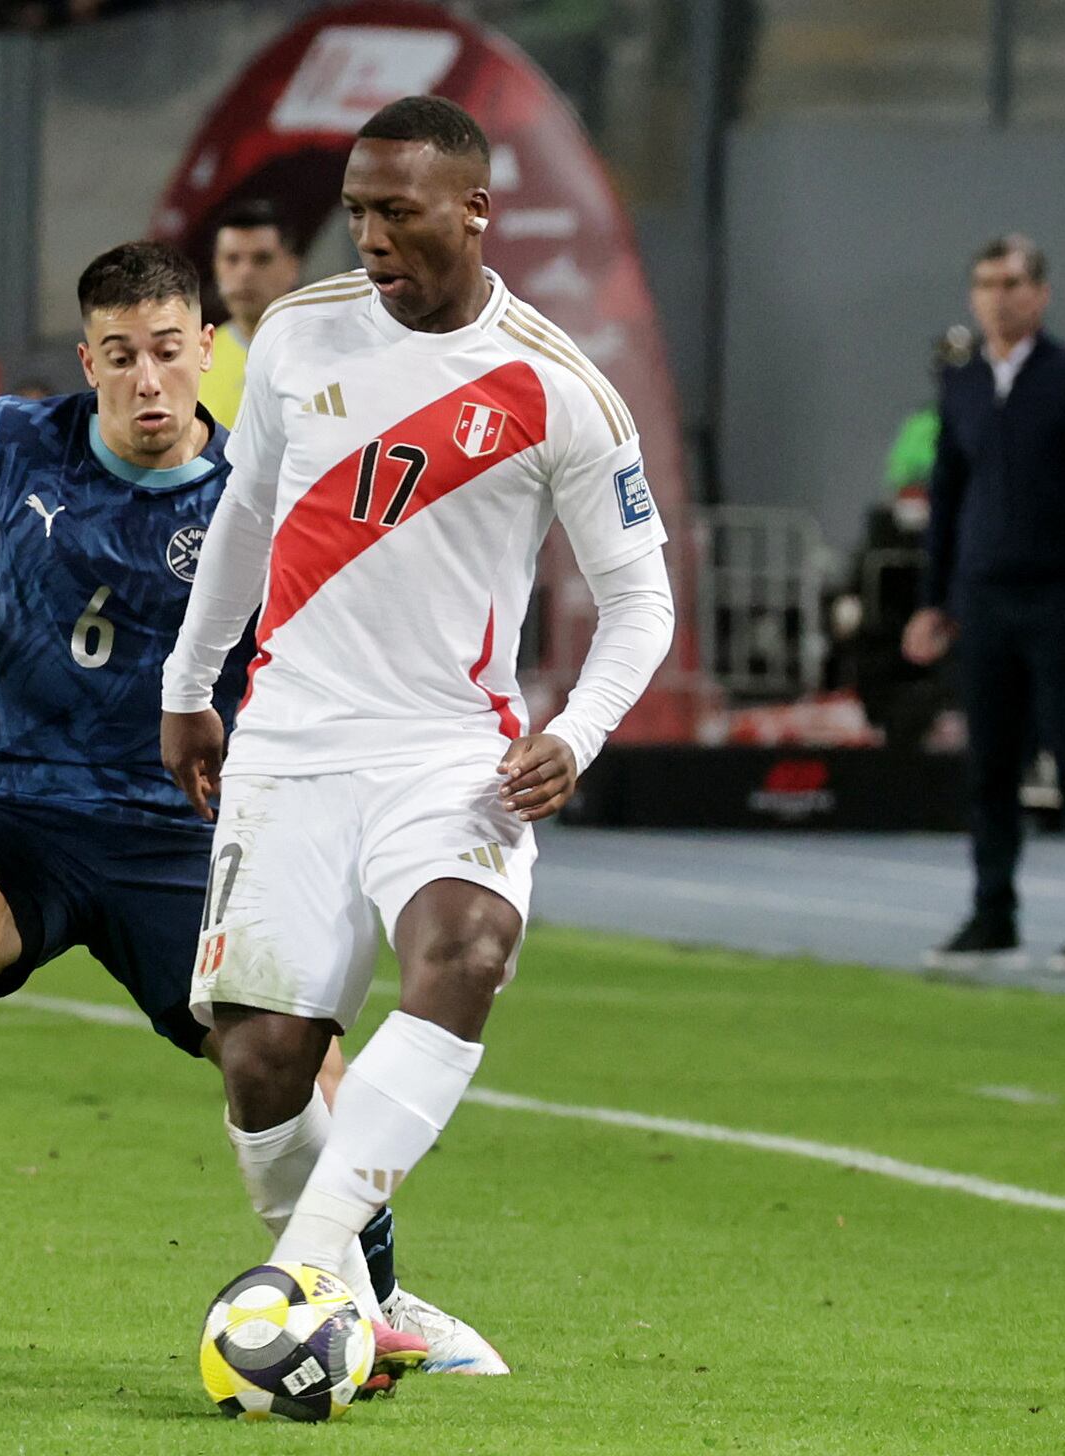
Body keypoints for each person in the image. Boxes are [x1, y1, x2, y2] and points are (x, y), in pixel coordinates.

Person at [0, 240, 492, 1380]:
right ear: (89, 362)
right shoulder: (12, 441)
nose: (147, 379)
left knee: (297, 1056)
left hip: (181, 834)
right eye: (120, 356)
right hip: (11, 807)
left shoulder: (264, 491)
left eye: (168, 351)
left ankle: (370, 1294)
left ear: (207, 351)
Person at [161, 97, 675, 1339]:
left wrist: (577, 730)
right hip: (290, 741)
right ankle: (367, 1309)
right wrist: (187, 686)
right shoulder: (297, 336)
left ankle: (304, 1281)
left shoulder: (560, 388)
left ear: (476, 210)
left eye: (398, 212)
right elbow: (243, 519)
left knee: (469, 949)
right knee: (261, 1066)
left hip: (450, 752)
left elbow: (640, 600)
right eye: (356, 213)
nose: (372, 237)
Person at [901, 235, 1065, 974]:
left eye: (1010, 283)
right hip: (983, 600)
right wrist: (934, 601)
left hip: (1061, 599)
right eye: (985, 284)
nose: (997, 298)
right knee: (989, 766)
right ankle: (993, 916)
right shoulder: (964, 382)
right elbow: (947, 496)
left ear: (1040, 293)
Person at [197, 198, 303, 428]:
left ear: (292, 267)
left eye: (261, 259)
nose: (245, 272)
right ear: (216, 267)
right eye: (232, 259)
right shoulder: (194, 362)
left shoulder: (327, 353)